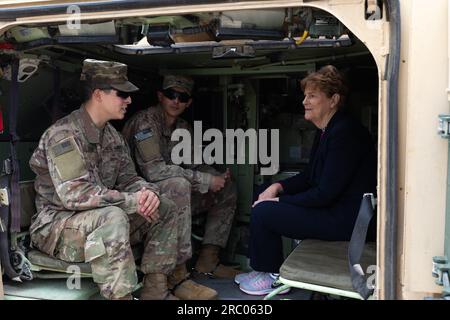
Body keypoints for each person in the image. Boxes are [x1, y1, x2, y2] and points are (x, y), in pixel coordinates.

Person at [29, 59, 216, 300]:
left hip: (96, 220)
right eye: (122, 94)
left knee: (165, 205)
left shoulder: (112, 137)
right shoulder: (63, 135)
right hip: (58, 226)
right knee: (114, 216)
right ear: (98, 95)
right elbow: (75, 194)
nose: (129, 100)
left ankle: (156, 289)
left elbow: (129, 179)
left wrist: (147, 193)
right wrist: (132, 201)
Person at [235, 65, 377, 296]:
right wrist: (276, 187)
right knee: (261, 192)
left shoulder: (345, 133)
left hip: (348, 220)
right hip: (333, 209)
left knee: (264, 212)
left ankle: (272, 276)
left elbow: (325, 194)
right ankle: (261, 268)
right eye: (305, 96)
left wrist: (279, 204)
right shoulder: (326, 130)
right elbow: (310, 177)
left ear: (333, 100)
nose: (304, 102)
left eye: (312, 96)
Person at [122, 75, 240, 287]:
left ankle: (208, 260)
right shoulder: (145, 123)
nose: (176, 101)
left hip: (171, 198)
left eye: (182, 97)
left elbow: (194, 164)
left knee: (226, 188)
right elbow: (154, 171)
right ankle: (177, 272)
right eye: (171, 95)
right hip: (142, 201)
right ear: (160, 96)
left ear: (189, 102)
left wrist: (216, 177)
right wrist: (205, 180)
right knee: (178, 185)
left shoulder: (182, 127)